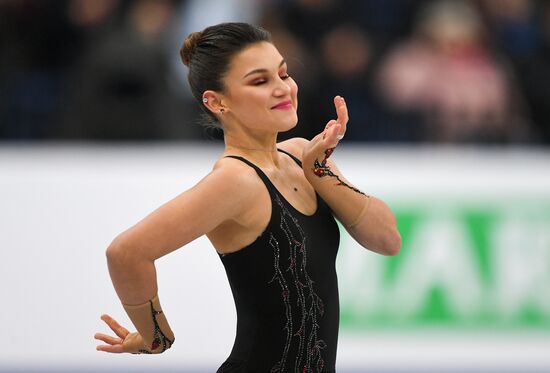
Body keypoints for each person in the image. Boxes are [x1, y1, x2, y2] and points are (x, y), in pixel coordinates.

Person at [94, 22, 401, 372]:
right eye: (260, 81)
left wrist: (319, 169)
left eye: (283, 74)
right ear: (217, 101)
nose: (282, 89)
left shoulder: (302, 156)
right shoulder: (234, 181)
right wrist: (155, 338)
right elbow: (126, 252)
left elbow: (387, 239)